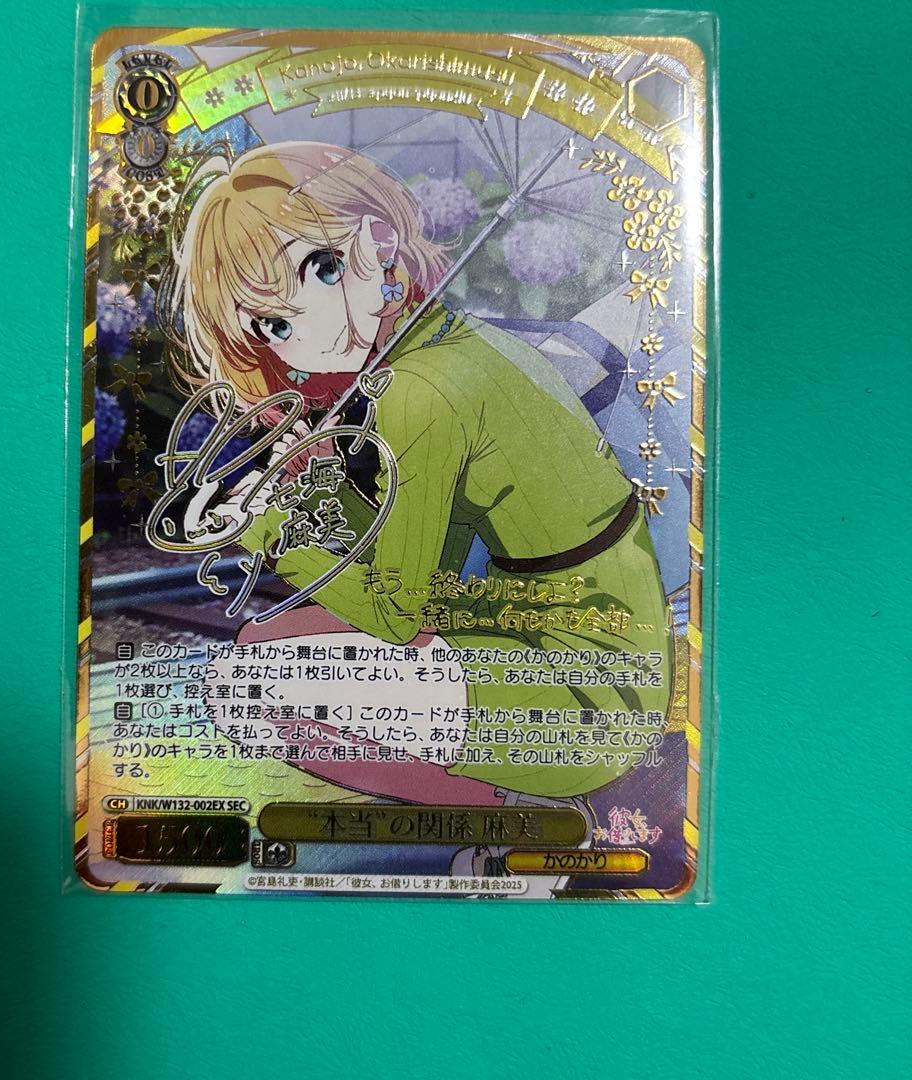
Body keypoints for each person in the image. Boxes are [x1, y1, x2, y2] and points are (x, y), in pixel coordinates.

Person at [157, 140, 673, 814]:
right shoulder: (450, 342)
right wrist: (320, 483)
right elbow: (424, 572)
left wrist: (269, 531)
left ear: (378, 240)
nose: (307, 332)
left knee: (245, 690)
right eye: (275, 324)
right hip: (552, 642)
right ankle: (504, 796)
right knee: (264, 645)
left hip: (586, 702)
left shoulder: (423, 389)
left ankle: (506, 811)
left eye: (321, 268)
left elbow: (396, 615)